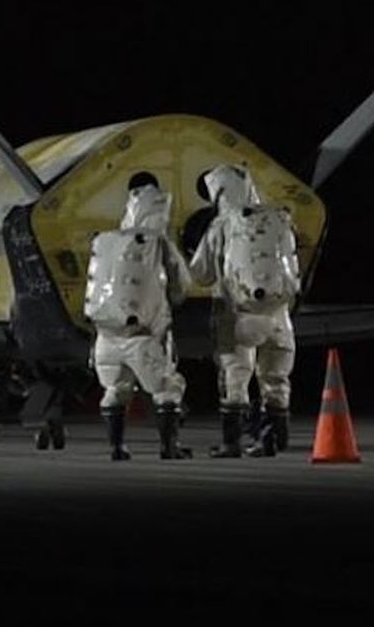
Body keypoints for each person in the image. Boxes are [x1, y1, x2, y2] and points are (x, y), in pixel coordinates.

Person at [190, 164, 300, 459]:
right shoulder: (280, 220)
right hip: (279, 318)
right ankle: (274, 440)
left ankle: (231, 443)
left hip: (236, 316)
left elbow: (200, 274)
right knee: (276, 379)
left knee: (235, 378)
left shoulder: (222, 225)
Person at [84, 178, 190, 461]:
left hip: (106, 337)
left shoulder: (107, 241)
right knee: (167, 388)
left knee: (115, 391)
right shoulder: (160, 243)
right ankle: (169, 447)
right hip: (144, 337)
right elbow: (182, 286)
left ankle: (116, 447)